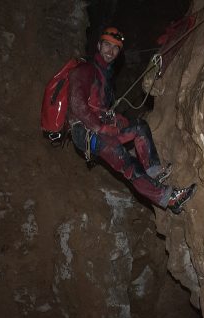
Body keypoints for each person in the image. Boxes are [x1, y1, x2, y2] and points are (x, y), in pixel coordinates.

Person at [67, 27, 196, 214]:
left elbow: (98, 106)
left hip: (99, 126)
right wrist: (102, 127)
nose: (110, 51)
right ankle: (170, 199)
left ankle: (154, 172)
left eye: (115, 48)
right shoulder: (85, 69)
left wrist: (114, 118)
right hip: (85, 132)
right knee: (128, 163)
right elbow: (77, 104)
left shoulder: (105, 74)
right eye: (107, 46)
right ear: (98, 45)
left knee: (139, 127)